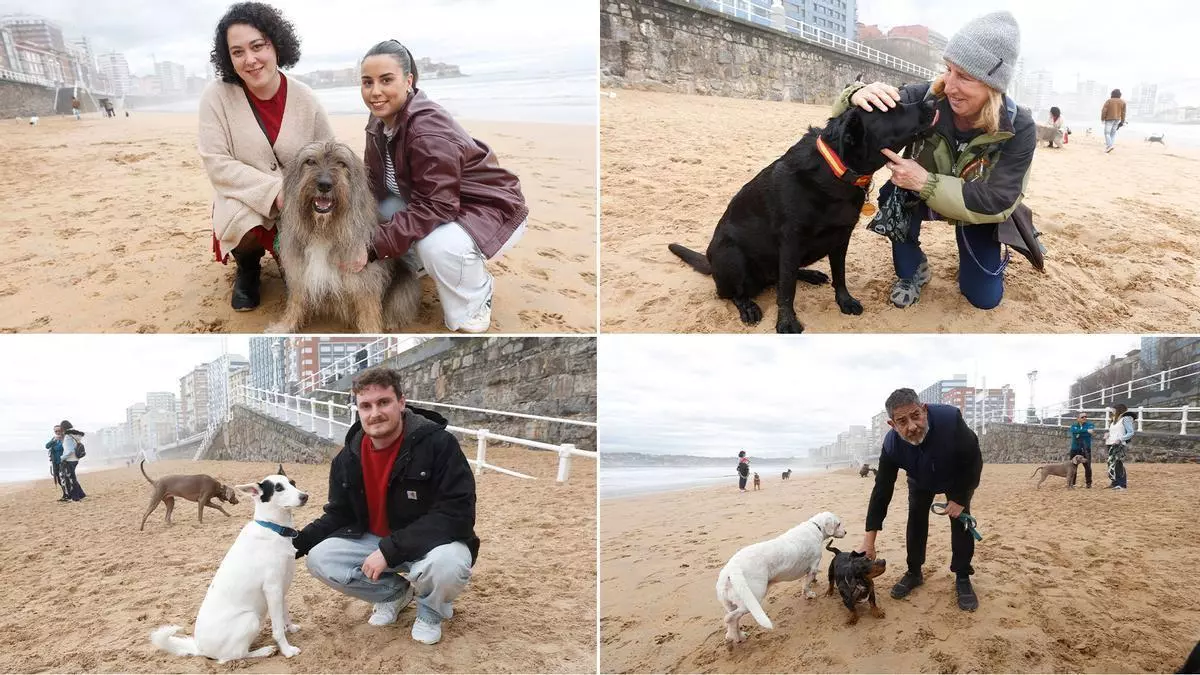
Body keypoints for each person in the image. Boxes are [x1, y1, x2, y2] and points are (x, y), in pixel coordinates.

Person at [836, 10, 1035, 311]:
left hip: (975, 208)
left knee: (984, 299)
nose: (949, 85)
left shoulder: (1019, 127)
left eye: (964, 77)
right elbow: (848, 122)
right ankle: (913, 268)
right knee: (894, 193)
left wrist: (925, 181)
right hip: (915, 197)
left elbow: (1000, 199)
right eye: (948, 69)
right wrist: (856, 94)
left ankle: (980, 265)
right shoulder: (926, 96)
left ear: (993, 86)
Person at [354, 40, 529, 333]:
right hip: (436, 202)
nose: (375, 92)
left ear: (409, 81)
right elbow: (375, 187)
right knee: (381, 208)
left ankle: (476, 296)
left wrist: (372, 247)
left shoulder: (427, 131)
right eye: (367, 82)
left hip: (486, 208)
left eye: (386, 80)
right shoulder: (380, 119)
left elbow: (438, 206)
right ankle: (420, 263)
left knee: (438, 246)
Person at [292, 367, 477, 645]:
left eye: (383, 402)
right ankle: (394, 594)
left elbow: (457, 513)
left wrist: (390, 551)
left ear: (401, 403)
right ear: (357, 410)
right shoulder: (347, 458)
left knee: (448, 564)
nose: (374, 413)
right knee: (320, 559)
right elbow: (339, 514)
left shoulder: (439, 444)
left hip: (432, 543)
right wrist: (292, 544)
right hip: (375, 540)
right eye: (365, 406)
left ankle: (431, 611)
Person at [198, 1, 335, 311]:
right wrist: (275, 191)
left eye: (257, 46)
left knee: (314, 293)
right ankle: (247, 268)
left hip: (298, 203)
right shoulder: (216, 96)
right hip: (244, 196)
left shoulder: (306, 98)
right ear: (228, 58)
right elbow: (216, 163)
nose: (250, 60)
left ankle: (292, 260)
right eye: (238, 52)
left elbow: (329, 156)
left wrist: (299, 193)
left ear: (275, 45)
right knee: (240, 224)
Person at [857, 388, 983, 611]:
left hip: (956, 476)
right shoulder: (891, 446)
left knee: (961, 522)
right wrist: (869, 540)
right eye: (902, 422)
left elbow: (973, 457)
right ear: (892, 425)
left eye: (915, 415)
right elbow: (881, 491)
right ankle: (914, 572)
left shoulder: (950, 419)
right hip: (920, 479)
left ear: (924, 410)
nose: (912, 426)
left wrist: (961, 498)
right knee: (915, 519)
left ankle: (962, 576)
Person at [1105, 403, 1135, 491]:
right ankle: (1114, 482)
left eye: (1113, 409)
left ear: (1118, 409)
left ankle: (1122, 484)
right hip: (1110, 443)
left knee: (1119, 464)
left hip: (1119, 444)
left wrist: (1121, 439)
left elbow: (1131, 432)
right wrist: (1108, 434)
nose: (1112, 411)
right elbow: (1113, 432)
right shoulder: (1114, 420)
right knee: (1111, 464)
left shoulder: (1125, 419)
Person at [58, 420, 87, 502]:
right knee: (73, 478)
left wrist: (62, 458)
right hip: (75, 459)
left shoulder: (68, 436)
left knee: (71, 479)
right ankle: (81, 494)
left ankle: (75, 497)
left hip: (69, 460)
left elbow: (69, 450)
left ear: (63, 428)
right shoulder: (75, 435)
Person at [1068, 412, 1094, 488]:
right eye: (1082, 417)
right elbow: (1074, 431)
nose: (1084, 418)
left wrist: (1079, 433)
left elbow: (1089, 433)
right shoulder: (1074, 425)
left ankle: (1088, 483)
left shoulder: (1090, 425)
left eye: (1085, 416)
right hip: (1075, 449)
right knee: (1072, 466)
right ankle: (1072, 483)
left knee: (1087, 466)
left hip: (1086, 449)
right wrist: (1086, 431)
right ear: (1078, 418)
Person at [1101, 89, 1127, 154]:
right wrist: (1122, 121)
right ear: (1119, 95)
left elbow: (1104, 110)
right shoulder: (1123, 102)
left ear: (1112, 94)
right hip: (1117, 119)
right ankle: (1109, 147)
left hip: (1109, 119)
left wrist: (1102, 118)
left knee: (1107, 133)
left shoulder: (1109, 101)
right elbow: (1123, 113)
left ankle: (1109, 146)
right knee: (1113, 133)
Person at [46, 424, 64, 490]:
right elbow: (47, 446)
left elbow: (61, 448)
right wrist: (54, 441)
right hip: (55, 462)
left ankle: (68, 494)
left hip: (63, 462)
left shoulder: (64, 439)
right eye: (56, 431)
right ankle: (65, 493)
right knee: (58, 478)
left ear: (62, 430)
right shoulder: (54, 439)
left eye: (59, 431)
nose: (57, 432)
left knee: (64, 478)